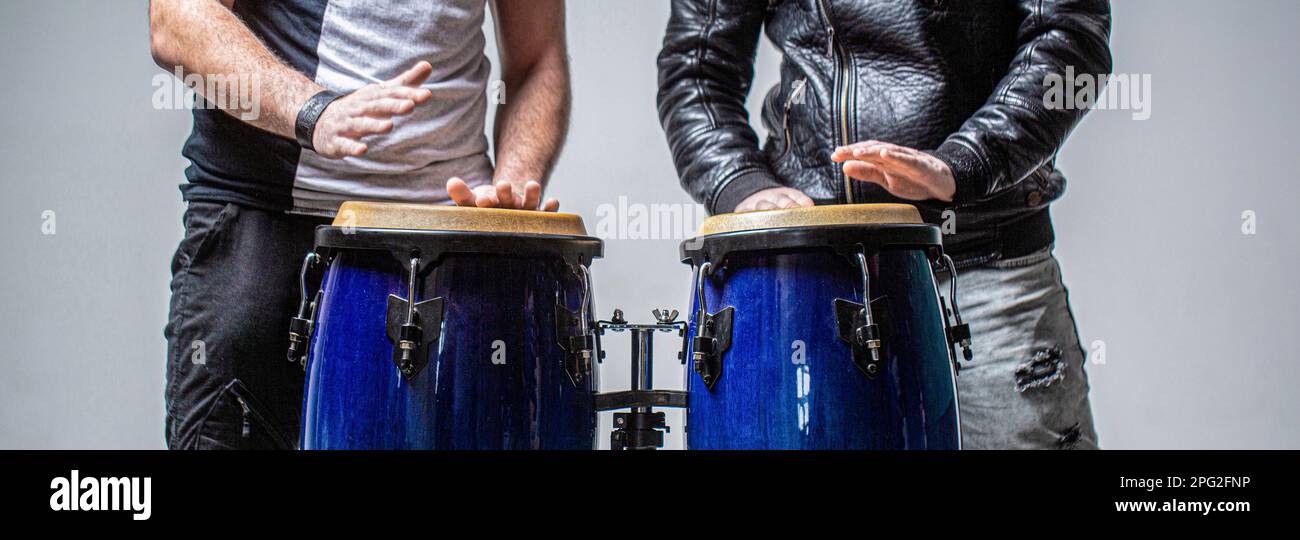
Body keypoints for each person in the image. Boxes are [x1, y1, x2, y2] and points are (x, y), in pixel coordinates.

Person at [657, 0, 1112, 449]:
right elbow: (696, 68)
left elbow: (1069, 39)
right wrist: (741, 184)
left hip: (984, 257)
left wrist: (969, 160)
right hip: (806, 284)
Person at [150, 0, 570, 449]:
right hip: (266, 216)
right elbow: (177, 19)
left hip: (447, 240)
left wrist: (509, 190)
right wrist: (312, 111)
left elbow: (538, 58)